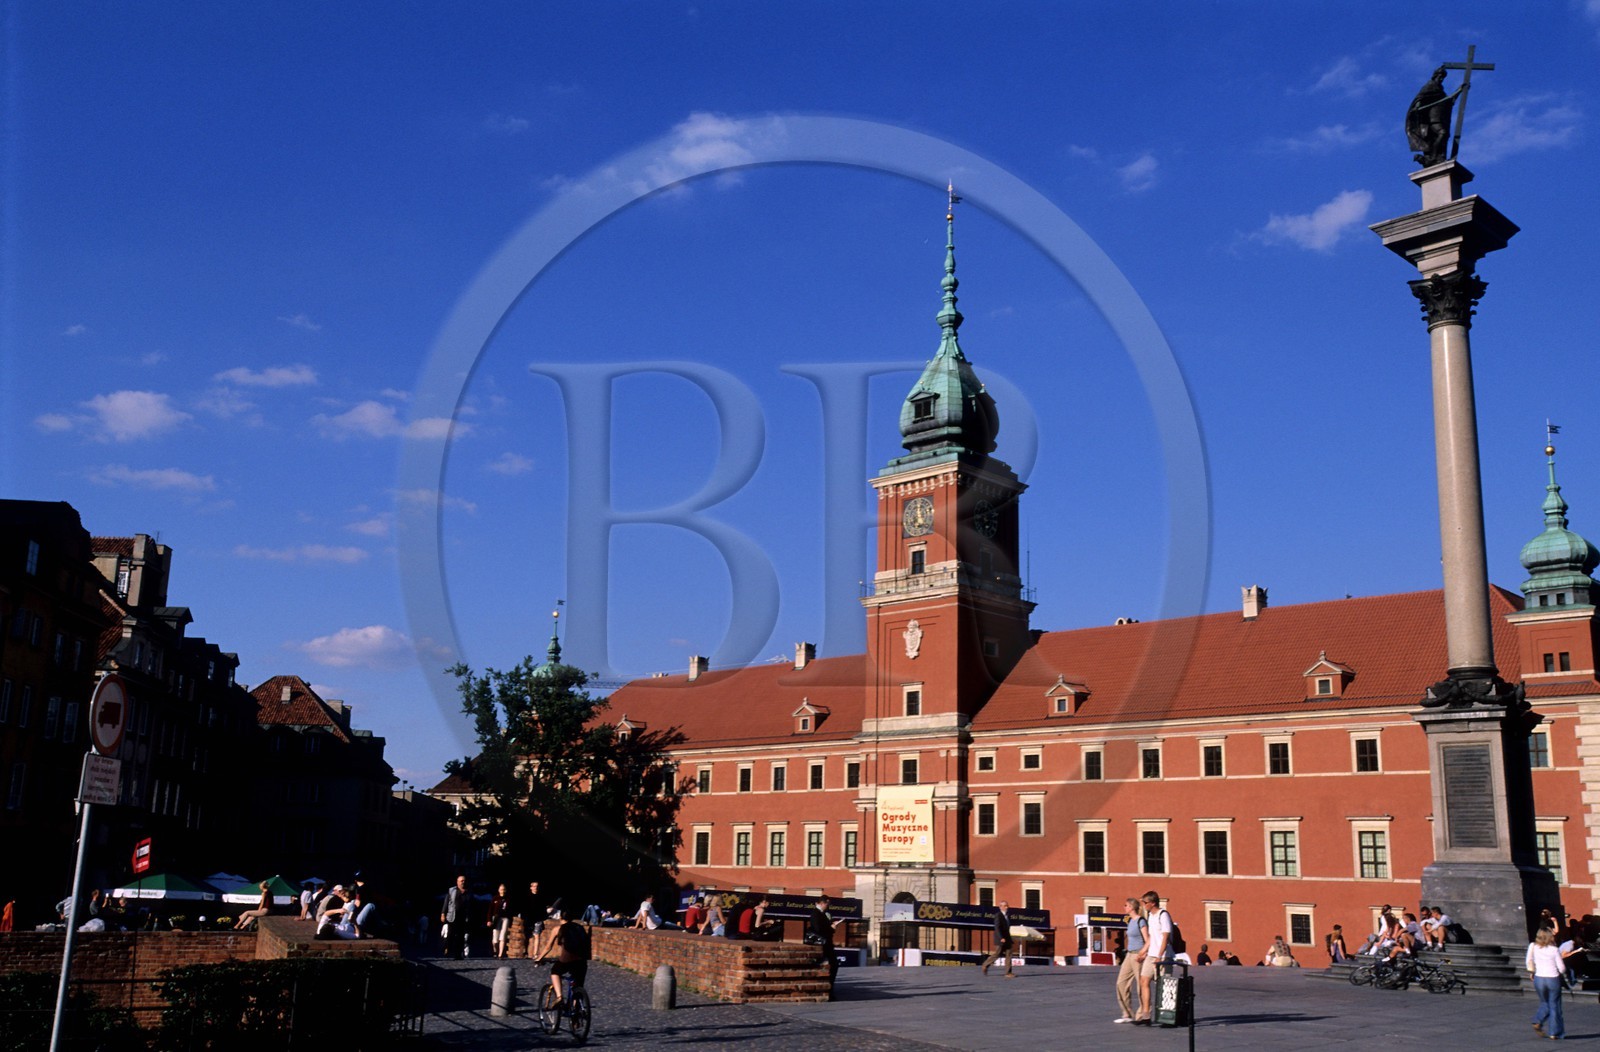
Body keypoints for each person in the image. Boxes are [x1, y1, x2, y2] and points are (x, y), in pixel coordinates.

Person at [534, 905, 592, 1016]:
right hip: (582, 960)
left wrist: (539, 958)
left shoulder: (558, 929)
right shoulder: (579, 927)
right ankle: (576, 1013)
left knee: (555, 971)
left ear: (561, 917)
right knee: (578, 986)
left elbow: (548, 947)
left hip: (567, 958)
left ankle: (559, 997)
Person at [1134, 890, 1173, 1025]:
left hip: (1163, 956)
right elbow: (1151, 937)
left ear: (1152, 903)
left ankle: (1167, 1017)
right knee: (1144, 981)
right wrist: (1143, 952)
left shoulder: (1163, 915)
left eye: (1145, 902)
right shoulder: (1150, 916)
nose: (1143, 905)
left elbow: (1165, 937)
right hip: (1152, 954)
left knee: (1164, 986)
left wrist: (1160, 956)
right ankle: (1146, 1016)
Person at [1528, 927, 1566, 1040]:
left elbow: (1528, 960)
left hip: (1539, 978)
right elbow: (1562, 968)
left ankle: (1537, 1021)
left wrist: (1532, 971)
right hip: (1552, 978)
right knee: (1554, 1005)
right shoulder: (1554, 949)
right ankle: (1555, 1032)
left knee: (1545, 1002)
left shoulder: (1533, 946)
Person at [1114, 897, 1146, 1022]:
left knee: (1140, 986)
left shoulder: (1141, 921)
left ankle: (1141, 1015)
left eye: (1126, 905)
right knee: (1121, 983)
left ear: (1132, 907)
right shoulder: (1130, 921)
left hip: (1138, 955)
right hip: (1129, 954)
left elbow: (1147, 938)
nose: (1124, 907)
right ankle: (1127, 1013)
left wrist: (1143, 953)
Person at [807, 895, 844, 995]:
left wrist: (832, 924)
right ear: (823, 903)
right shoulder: (816, 913)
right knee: (833, 965)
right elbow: (819, 929)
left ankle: (829, 987)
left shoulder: (821, 913)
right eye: (827, 904)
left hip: (826, 943)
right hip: (823, 944)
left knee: (833, 965)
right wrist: (831, 928)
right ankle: (828, 988)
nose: (828, 906)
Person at [981, 899, 1016, 979]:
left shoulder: (1007, 916)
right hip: (1000, 939)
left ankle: (1008, 972)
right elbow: (997, 927)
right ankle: (985, 965)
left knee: (1009, 954)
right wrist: (1001, 937)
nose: (1007, 907)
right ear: (1001, 907)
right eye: (1006, 906)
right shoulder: (998, 915)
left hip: (1007, 939)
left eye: (1007, 906)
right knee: (997, 954)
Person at [441, 875, 470, 959]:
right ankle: (447, 948)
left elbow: (470, 906)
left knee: (460, 937)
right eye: (461, 881)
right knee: (450, 935)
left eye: (464, 881)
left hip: (463, 918)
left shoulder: (468, 892)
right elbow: (446, 902)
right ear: (457, 882)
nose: (463, 882)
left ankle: (458, 955)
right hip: (452, 917)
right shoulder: (452, 891)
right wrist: (443, 913)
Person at [488, 883, 513, 958]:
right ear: (499, 890)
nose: (503, 891)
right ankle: (495, 951)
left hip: (505, 918)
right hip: (496, 919)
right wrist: (489, 920)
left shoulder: (508, 899)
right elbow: (490, 910)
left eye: (504, 889)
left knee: (503, 936)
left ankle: (500, 954)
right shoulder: (495, 898)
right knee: (495, 939)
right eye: (501, 889)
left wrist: (511, 920)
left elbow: (511, 910)